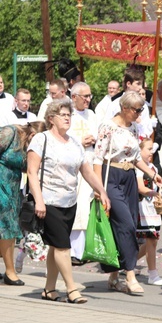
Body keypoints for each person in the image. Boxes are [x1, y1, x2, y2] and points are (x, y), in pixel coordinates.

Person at [28, 99, 110, 304]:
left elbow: (87, 170)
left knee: (56, 246)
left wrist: (101, 190)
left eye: (69, 115)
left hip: (69, 201)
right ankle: (71, 288)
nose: (67, 118)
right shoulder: (41, 139)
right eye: (62, 115)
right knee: (64, 246)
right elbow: (31, 172)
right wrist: (38, 200)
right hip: (49, 200)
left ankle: (49, 289)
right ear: (51, 119)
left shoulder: (74, 142)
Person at [94, 91, 162, 296]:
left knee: (129, 224)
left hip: (129, 178)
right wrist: (99, 189)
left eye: (141, 109)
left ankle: (114, 276)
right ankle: (130, 275)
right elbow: (98, 159)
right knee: (125, 223)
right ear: (124, 108)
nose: (139, 114)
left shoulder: (133, 127)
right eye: (136, 110)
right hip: (111, 175)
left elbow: (135, 158)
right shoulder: (108, 126)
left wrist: (152, 173)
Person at [0, 121, 46, 285]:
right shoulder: (10, 133)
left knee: (8, 228)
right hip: (1, 187)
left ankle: (8, 270)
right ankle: (10, 272)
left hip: (12, 189)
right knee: (6, 227)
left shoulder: (31, 148)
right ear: (32, 134)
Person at [67, 82, 99, 264]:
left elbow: (97, 134)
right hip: (73, 167)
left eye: (89, 96)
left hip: (89, 162)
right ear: (74, 97)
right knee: (76, 207)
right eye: (84, 96)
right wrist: (80, 141)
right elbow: (62, 138)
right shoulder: (67, 114)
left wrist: (94, 139)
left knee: (86, 207)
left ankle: (82, 250)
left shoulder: (91, 115)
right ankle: (72, 250)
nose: (88, 100)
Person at [135, 138, 162, 286]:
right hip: (141, 207)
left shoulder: (153, 168)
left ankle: (129, 262)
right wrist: (155, 194)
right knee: (150, 240)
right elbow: (140, 188)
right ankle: (152, 274)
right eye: (148, 149)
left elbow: (158, 189)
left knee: (153, 240)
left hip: (152, 209)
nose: (151, 152)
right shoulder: (137, 168)